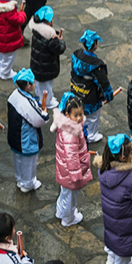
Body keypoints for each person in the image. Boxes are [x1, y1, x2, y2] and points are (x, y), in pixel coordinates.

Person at [97, 135, 132, 264]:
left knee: (112, 233)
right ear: (123, 157)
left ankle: (111, 258)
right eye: (131, 152)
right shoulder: (131, 178)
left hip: (110, 214)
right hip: (126, 217)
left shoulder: (103, 169)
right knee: (124, 238)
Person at [3, 69, 51, 193]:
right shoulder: (27, 103)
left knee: (18, 160)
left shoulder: (14, 95)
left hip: (15, 136)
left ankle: (20, 179)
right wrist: (44, 113)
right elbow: (39, 120)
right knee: (29, 163)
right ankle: (27, 183)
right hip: (26, 140)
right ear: (29, 86)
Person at [52, 93, 91, 228]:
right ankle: (68, 218)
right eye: (76, 115)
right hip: (71, 173)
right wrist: (76, 175)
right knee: (71, 197)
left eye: (81, 114)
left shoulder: (66, 126)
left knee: (64, 193)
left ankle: (60, 211)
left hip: (64, 170)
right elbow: (72, 156)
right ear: (68, 114)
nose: (79, 118)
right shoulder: (72, 132)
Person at [68, 31, 114, 145]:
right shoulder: (96, 65)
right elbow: (103, 83)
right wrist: (109, 96)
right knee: (93, 117)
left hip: (76, 91)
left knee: (77, 112)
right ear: (95, 45)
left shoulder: (76, 54)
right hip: (90, 98)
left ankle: (76, 130)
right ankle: (92, 135)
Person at [24, 6, 63, 106]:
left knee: (39, 85)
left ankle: (40, 97)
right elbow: (59, 49)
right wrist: (59, 41)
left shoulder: (36, 31)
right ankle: (46, 102)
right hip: (47, 68)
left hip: (37, 66)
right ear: (48, 22)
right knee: (47, 86)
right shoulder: (50, 37)